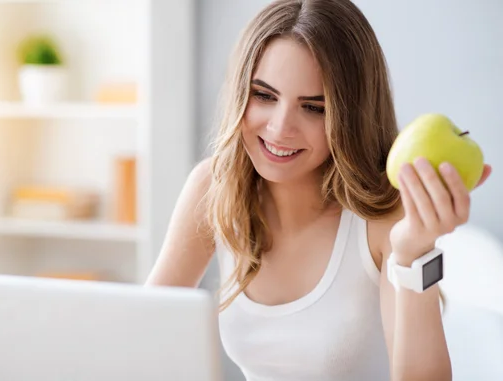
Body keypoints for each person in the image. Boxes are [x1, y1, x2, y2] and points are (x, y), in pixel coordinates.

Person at [146, 0, 492, 380]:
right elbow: (143, 331)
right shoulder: (213, 188)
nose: (279, 129)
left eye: (313, 108)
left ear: (351, 116)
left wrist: (414, 253)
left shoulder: (384, 218)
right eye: (264, 95)